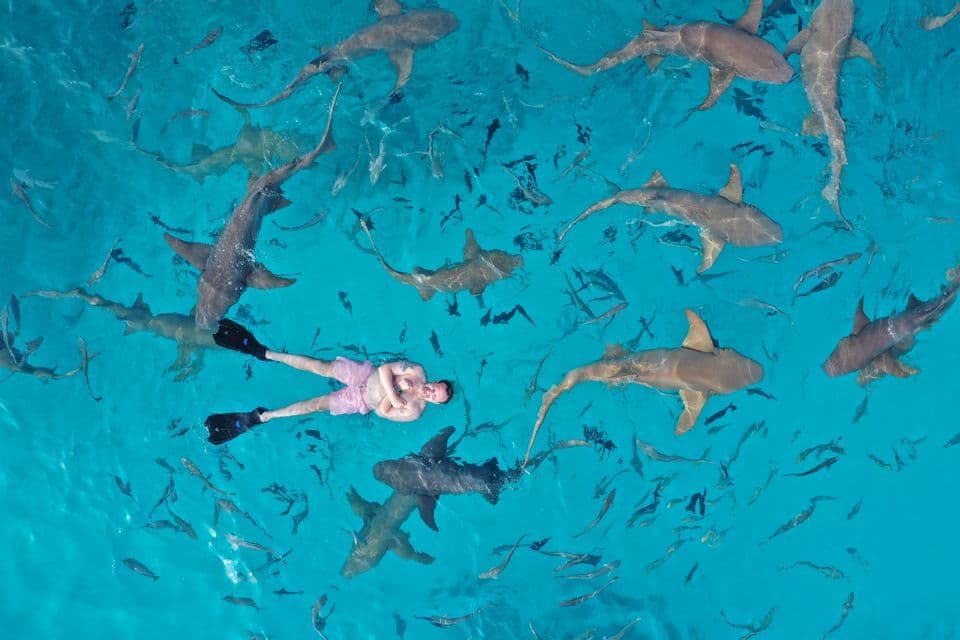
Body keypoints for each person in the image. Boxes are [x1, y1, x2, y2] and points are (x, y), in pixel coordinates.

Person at [204, 320, 453, 445]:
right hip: (365, 374)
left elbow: (382, 412)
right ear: (436, 381)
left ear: (435, 404)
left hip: (361, 400)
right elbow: (386, 368)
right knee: (318, 366)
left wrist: (395, 395)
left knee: (316, 404)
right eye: (436, 388)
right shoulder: (417, 371)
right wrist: (397, 390)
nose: (431, 392)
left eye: (435, 397)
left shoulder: (415, 411)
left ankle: (263, 416)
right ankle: (265, 353)